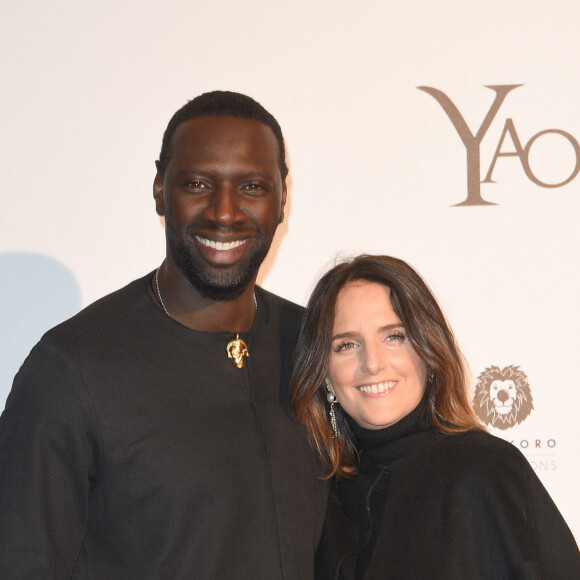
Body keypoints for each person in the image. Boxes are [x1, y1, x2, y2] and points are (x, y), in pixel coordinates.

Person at [0, 91, 327, 578]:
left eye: (253, 186)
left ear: (283, 198)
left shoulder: (317, 346)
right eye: (197, 183)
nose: (224, 212)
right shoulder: (73, 369)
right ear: (159, 190)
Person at [290, 254, 580, 579]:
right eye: (346, 345)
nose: (372, 363)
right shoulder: (318, 499)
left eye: (394, 337)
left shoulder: (485, 471)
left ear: (429, 351)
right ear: (324, 373)